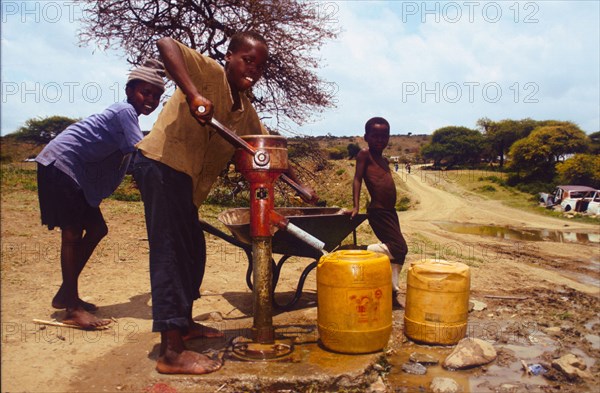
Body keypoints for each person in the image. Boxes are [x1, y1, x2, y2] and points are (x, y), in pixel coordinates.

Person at [133, 33, 317, 375]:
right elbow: (164, 44)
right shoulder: (208, 72)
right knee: (171, 253)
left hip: (185, 183)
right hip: (161, 164)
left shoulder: (245, 110)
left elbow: (266, 149)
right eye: (248, 60)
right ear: (230, 56)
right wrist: (193, 94)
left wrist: (300, 186)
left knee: (193, 251)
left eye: (260, 65)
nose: (254, 69)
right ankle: (171, 351)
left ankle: (184, 323)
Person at [35, 60, 166, 329]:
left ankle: (65, 293)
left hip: (75, 176)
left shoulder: (129, 118)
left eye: (157, 95)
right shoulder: (124, 112)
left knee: (97, 229)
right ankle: (71, 307)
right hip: (61, 165)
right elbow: (141, 152)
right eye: (146, 92)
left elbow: (132, 156)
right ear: (129, 91)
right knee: (72, 234)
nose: (151, 99)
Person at [349, 117, 408, 304]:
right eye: (375, 136)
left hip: (390, 211)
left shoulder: (384, 160)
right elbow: (358, 179)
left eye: (384, 136)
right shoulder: (365, 154)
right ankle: (360, 251)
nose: (380, 140)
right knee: (399, 247)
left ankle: (392, 291)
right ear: (366, 137)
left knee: (398, 253)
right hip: (378, 211)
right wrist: (356, 206)